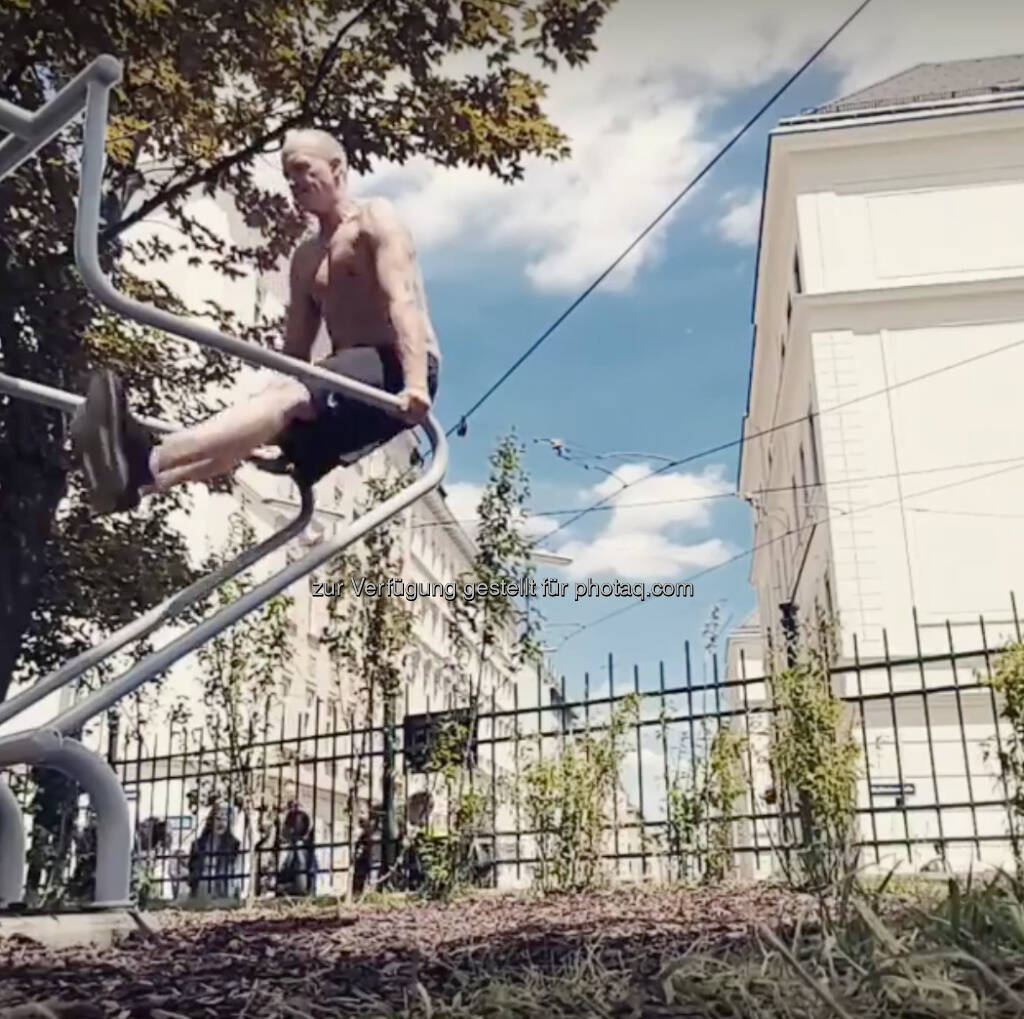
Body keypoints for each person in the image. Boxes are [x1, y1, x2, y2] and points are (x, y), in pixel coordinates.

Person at [71, 128, 441, 514]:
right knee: (257, 423)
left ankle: (148, 458)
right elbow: (295, 354)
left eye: (303, 169)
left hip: (397, 368)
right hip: (351, 385)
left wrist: (416, 383)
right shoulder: (305, 258)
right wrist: (271, 421)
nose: (295, 183)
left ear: (336, 168)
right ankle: (139, 486)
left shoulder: (375, 219)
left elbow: (403, 300)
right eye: (288, 176)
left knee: (290, 395)